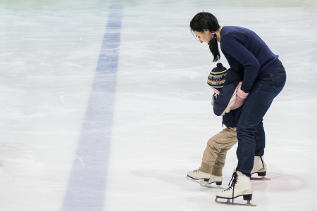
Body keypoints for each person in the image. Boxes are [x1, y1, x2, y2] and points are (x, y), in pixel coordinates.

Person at [189, 12, 286, 203]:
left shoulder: (227, 39)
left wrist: (243, 93)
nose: (200, 41)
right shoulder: (228, 36)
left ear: (207, 31)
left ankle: (242, 181)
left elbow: (252, 65)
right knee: (253, 120)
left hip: (269, 78)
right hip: (270, 75)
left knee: (245, 127)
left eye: (199, 36)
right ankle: (256, 162)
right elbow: (244, 66)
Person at [186, 63, 267, 188]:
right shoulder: (230, 93)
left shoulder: (230, 96)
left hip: (236, 128)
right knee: (221, 148)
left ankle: (205, 171)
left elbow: (219, 109)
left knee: (212, 144)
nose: (213, 91)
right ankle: (216, 175)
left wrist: (218, 96)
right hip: (235, 127)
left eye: (213, 88)